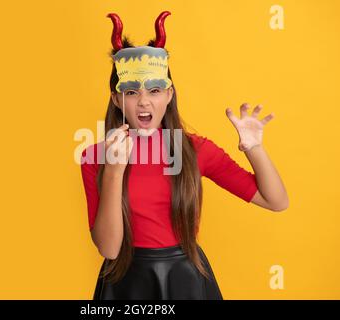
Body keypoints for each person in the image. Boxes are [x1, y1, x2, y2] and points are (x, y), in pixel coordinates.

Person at [80, 11, 289, 300]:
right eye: (131, 92)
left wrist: (254, 148)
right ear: (117, 99)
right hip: (125, 283)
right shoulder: (94, 157)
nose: (143, 101)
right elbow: (109, 249)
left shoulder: (194, 150)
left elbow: (276, 200)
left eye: (154, 90)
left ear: (168, 95)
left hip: (186, 279)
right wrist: (114, 171)